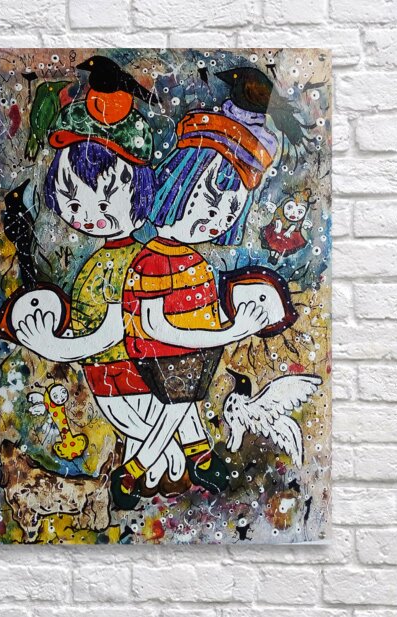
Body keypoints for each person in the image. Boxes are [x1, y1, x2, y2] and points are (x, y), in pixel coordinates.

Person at [12, 83, 186, 491]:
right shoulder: (97, 263)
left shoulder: (131, 264)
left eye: (105, 204)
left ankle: (161, 468)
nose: (88, 216)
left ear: (141, 196)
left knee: (146, 440)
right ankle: (157, 472)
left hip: (129, 372)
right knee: (143, 443)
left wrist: (53, 347)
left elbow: (112, 330)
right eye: (74, 203)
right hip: (107, 374)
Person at [113, 98, 279, 508]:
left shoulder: (195, 261)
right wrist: (229, 332)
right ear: (178, 183)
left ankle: (200, 457)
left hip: (189, 354)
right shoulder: (154, 260)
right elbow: (154, 326)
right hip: (160, 353)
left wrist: (229, 322)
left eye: (231, 210)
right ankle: (132, 473)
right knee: (179, 405)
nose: (218, 217)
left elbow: (201, 309)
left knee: (185, 402)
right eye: (210, 199)